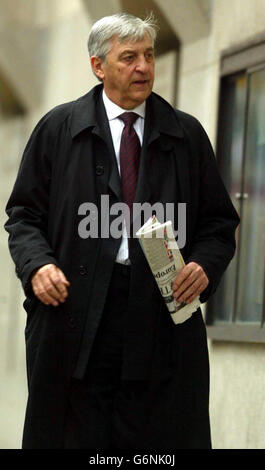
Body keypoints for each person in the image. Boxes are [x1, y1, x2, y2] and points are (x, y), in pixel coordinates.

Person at [4, 13, 239, 449]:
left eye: (148, 56)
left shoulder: (186, 135)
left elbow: (219, 224)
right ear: (98, 66)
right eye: (128, 57)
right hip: (74, 322)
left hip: (160, 325)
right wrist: (38, 266)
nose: (143, 67)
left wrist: (204, 265)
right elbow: (23, 216)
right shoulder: (57, 130)